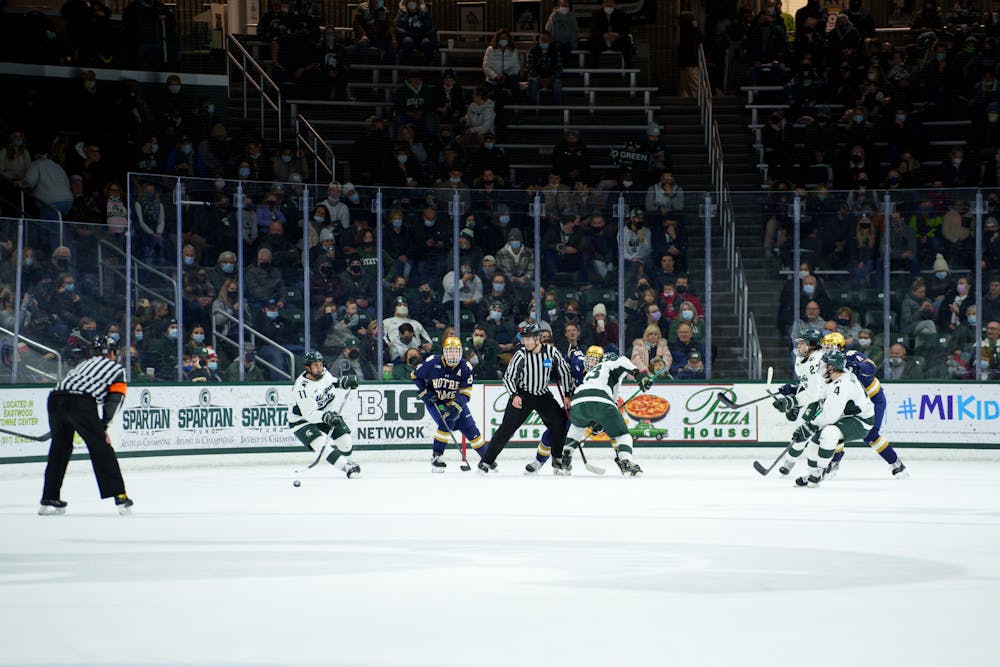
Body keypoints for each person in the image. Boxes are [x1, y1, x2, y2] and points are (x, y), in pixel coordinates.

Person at [39, 336, 133, 515]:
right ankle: (119, 496)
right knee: (101, 448)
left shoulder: (82, 365)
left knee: (60, 448)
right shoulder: (117, 369)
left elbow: (67, 389)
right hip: (80, 401)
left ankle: (49, 498)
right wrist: (103, 427)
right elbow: (115, 400)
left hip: (55, 399)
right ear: (112, 353)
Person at [782, 350, 897, 488]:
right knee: (814, 441)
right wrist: (794, 402)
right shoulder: (829, 379)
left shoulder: (844, 384)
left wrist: (808, 427)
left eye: (824, 364)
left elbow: (830, 415)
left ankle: (820, 472)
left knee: (829, 433)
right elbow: (815, 395)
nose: (821, 366)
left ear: (832, 367)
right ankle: (812, 474)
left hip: (860, 420)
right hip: (844, 416)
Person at [479, 322, 574, 473]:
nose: (527, 342)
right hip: (523, 395)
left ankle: (557, 459)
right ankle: (486, 461)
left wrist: (567, 394)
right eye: (525, 339)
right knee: (506, 429)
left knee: (559, 422)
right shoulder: (520, 354)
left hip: (543, 394)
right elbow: (508, 378)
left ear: (538, 339)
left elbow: (564, 373)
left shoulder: (551, 352)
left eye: (530, 339)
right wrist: (514, 395)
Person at [821, 332, 907, 479]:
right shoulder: (824, 362)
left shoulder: (851, 355)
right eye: (825, 347)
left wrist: (858, 366)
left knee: (871, 435)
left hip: (873, 398)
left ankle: (896, 464)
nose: (826, 350)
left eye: (830, 347)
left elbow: (871, 366)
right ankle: (834, 462)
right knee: (834, 428)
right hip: (850, 401)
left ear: (840, 347)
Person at [559, 351, 653, 476]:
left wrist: (598, 422)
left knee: (577, 426)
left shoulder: (592, 372)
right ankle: (626, 462)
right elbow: (623, 361)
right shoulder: (611, 364)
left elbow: (603, 403)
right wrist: (641, 377)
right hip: (600, 399)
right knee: (623, 434)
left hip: (578, 401)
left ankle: (566, 459)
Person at [411, 336, 486, 472]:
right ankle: (437, 457)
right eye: (450, 351)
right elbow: (415, 375)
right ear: (444, 352)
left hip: (455, 401)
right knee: (447, 421)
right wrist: (424, 392)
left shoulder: (465, 367)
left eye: (456, 351)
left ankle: (487, 458)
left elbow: (466, 392)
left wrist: (457, 406)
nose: (453, 355)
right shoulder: (433, 362)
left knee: (470, 429)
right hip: (436, 401)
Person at [525, 344, 601, 474]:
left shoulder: (602, 377)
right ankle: (539, 462)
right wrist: (557, 370)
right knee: (551, 433)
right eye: (590, 358)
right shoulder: (579, 361)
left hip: (584, 413)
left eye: (596, 360)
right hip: (570, 407)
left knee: (566, 436)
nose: (591, 362)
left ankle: (561, 464)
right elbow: (570, 356)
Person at [289, 350, 361, 478]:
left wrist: (343, 382)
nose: (319, 368)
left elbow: (332, 382)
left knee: (345, 442)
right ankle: (346, 468)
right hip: (301, 420)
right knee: (321, 444)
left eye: (320, 364)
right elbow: (309, 415)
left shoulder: (324, 373)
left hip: (324, 413)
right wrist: (326, 417)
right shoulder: (302, 388)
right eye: (315, 365)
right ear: (307, 368)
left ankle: (347, 460)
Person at [770, 329, 826, 478]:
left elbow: (815, 393)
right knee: (801, 432)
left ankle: (817, 469)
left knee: (809, 434)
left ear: (813, 345)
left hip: (826, 402)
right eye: (799, 342)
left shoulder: (817, 361)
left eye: (803, 343)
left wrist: (794, 401)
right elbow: (807, 384)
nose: (799, 346)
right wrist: (795, 390)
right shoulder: (801, 359)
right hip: (814, 398)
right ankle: (790, 462)